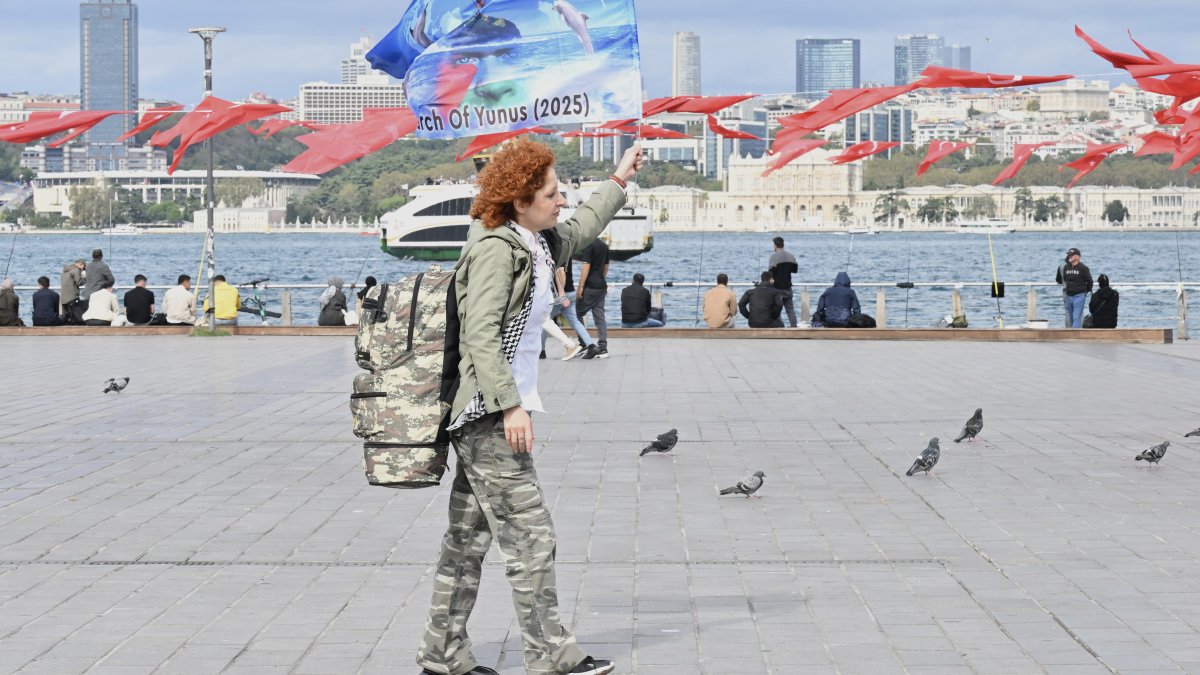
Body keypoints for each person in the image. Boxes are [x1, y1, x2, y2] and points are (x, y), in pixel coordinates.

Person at [415, 138, 641, 675]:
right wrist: (510, 407)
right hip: (489, 416)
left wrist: (620, 177)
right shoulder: (497, 248)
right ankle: (551, 655)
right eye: (551, 194)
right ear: (520, 200)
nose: (561, 201)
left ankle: (442, 654)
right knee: (533, 537)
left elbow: (582, 228)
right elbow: (480, 334)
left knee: (467, 541)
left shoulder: (531, 241)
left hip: (489, 412)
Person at [541, 267, 591, 361]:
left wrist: (561, 294)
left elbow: (561, 271)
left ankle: (542, 350)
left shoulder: (555, 254)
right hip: (570, 292)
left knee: (545, 321)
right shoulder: (565, 254)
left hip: (562, 295)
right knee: (574, 321)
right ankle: (591, 345)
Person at [576, 237, 610, 359]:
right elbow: (606, 267)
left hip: (590, 288)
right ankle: (603, 347)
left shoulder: (588, 245)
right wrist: (601, 279)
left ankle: (584, 343)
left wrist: (580, 287)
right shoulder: (604, 245)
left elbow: (586, 267)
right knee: (600, 317)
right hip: (601, 286)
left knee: (576, 314)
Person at [1055, 247, 1093, 329]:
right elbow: (1064, 279)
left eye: (1071, 255)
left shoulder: (1083, 268)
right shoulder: (1066, 267)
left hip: (1079, 295)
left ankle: (1074, 336)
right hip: (1069, 295)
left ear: (1077, 257)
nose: (1069, 257)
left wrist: (1085, 292)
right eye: (1068, 255)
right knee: (1071, 316)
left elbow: (1090, 281)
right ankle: (1072, 333)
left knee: (1076, 317)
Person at [769, 236, 799, 327]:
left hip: (776, 288)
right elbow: (795, 270)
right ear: (783, 245)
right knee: (790, 309)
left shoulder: (773, 257)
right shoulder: (791, 256)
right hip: (787, 287)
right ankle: (794, 327)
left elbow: (770, 273)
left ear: (775, 246)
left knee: (776, 309)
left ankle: (780, 327)